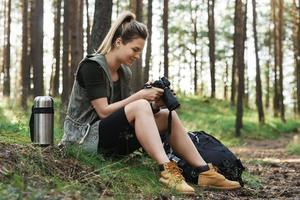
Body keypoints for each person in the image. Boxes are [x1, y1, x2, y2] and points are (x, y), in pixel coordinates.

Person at [60, 11, 241, 194]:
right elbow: (105, 112)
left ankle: (205, 172)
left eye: (140, 51)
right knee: (139, 105)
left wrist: (156, 104)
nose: (137, 55)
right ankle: (167, 171)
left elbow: (124, 114)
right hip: (82, 139)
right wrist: (140, 96)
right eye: (135, 49)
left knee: (166, 115)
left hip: (107, 139)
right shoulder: (92, 67)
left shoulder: (124, 72)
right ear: (118, 42)